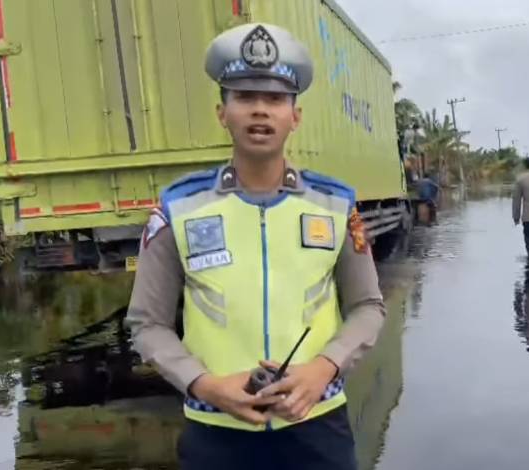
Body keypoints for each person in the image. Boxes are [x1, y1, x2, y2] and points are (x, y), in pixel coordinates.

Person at [125, 23, 386, 470]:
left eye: (275, 99)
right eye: (244, 98)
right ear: (222, 113)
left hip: (317, 427)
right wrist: (203, 384)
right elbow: (147, 323)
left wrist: (324, 368)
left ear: (295, 116)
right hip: (217, 431)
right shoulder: (179, 207)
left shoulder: (336, 204)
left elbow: (368, 306)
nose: (260, 111)